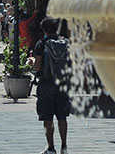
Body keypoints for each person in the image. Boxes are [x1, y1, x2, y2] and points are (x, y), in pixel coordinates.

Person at [28, 17, 71, 154]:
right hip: (63, 85)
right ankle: (64, 147)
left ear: (44, 29)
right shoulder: (65, 43)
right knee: (62, 117)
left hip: (46, 85)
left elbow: (38, 66)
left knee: (47, 118)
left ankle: (51, 148)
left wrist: (31, 62)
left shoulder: (41, 44)